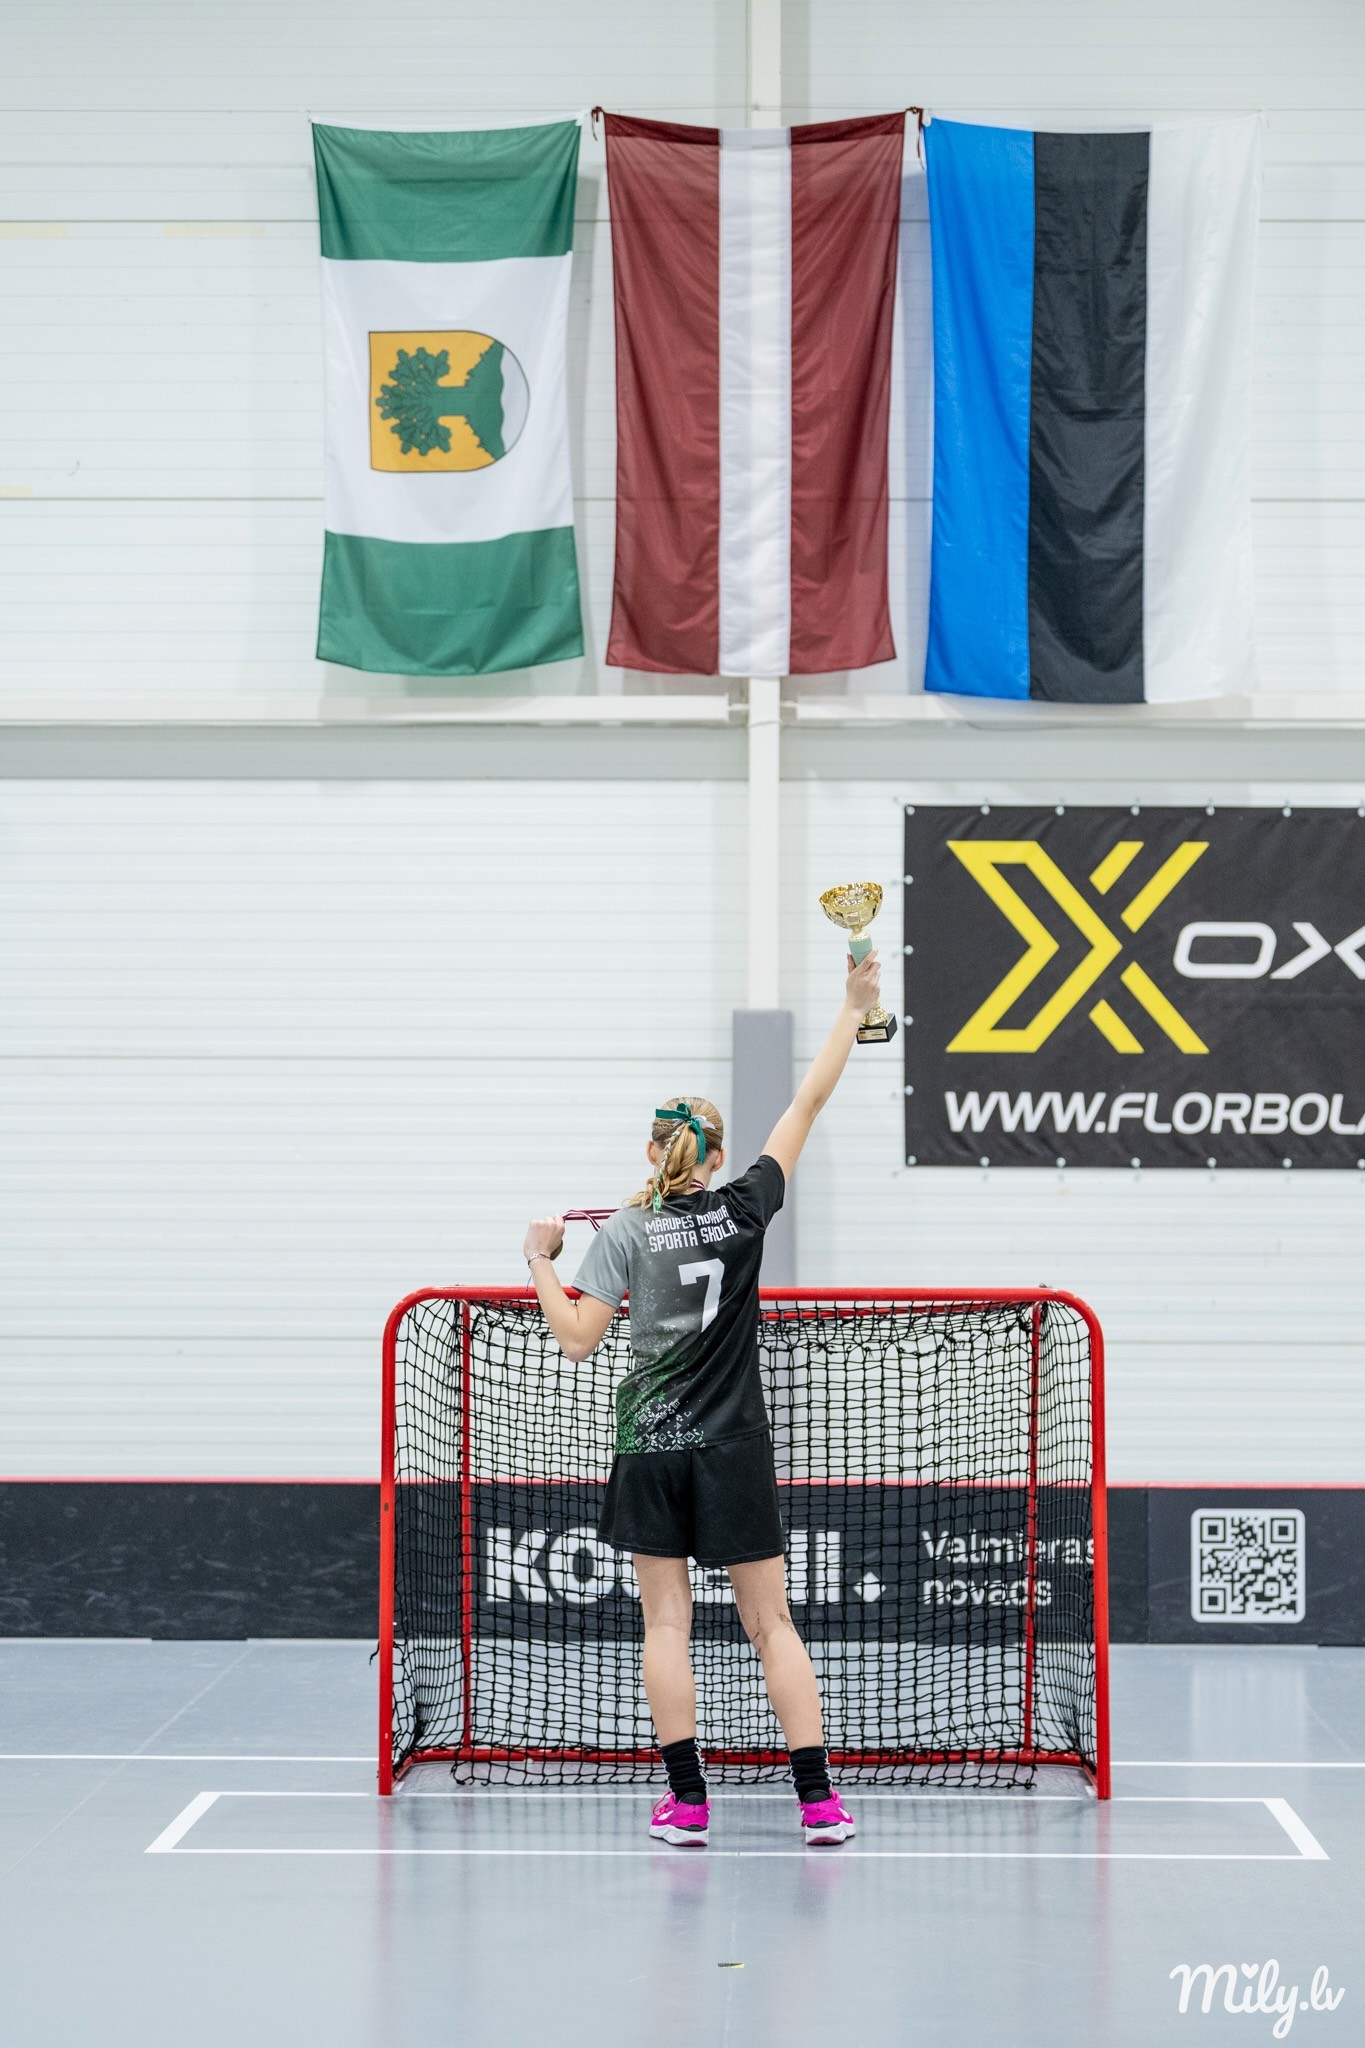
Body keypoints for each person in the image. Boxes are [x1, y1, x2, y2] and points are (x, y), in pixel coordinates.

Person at [521, 945, 882, 1848]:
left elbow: (576, 1339)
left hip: (649, 1448)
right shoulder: (746, 1206)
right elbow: (805, 1105)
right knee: (771, 1624)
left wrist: (539, 1258)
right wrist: (851, 1009)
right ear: (716, 1157)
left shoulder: (625, 1230)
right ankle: (819, 1805)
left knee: (666, 1623)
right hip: (732, 1448)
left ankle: (687, 1806)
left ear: (653, 1150)